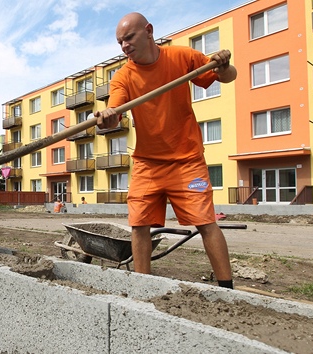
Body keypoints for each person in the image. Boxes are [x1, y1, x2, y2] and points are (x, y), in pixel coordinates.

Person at [94, 13, 237, 289]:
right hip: (148, 163)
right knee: (139, 224)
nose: (124, 46)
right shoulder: (123, 77)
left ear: (148, 31)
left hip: (187, 160)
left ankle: (227, 289)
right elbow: (115, 112)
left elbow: (228, 77)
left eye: (129, 37)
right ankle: (141, 287)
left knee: (206, 222)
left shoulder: (182, 57)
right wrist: (110, 117)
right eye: (119, 42)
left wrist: (223, 67)